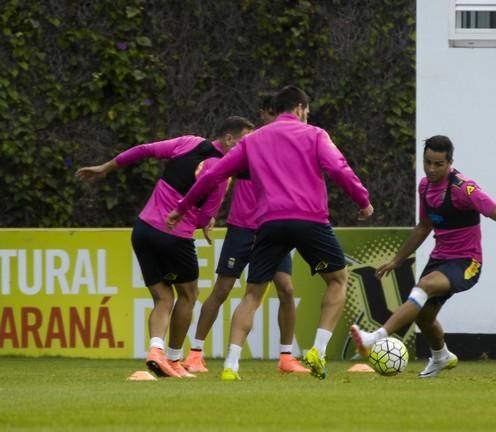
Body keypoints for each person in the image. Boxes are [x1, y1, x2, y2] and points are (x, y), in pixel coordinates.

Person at [167, 85, 374, 380]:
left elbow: (214, 174)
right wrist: (363, 201)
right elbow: (339, 169)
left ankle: (230, 365)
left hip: (268, 224)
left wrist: (183, 205)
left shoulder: (254, 140)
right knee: (338, 280)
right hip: (310, 220)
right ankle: (318, 348)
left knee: (252, 293)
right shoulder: (315, 134)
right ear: (301, 108)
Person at [350, 135, 496, 378]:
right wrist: (397, 260)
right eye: (428, 162)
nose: (432, 169)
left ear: (450, 163)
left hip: (467, 262)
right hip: (440, 259)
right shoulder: (424, 186)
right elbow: (424, 227)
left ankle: (376, 337)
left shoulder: (464, 189)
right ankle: (441, 357)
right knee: (424, 318)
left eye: (439, 164)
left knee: (423, 286)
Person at [76, 116, 254, 378]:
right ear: (228, 140)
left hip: (143, 230)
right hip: (174, 236)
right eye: (244, 142)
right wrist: (208, 220)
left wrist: (106, 167)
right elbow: (204, 217)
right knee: (189, 295)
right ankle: (173, 358)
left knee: (163, 297)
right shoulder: (222, 173)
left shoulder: (188, 142)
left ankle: (155, 351)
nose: (247, 149)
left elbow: (143, 150)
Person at [181, 94, 309, 375]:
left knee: (286, 289)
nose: (274, 118)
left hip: (271, 228)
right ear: (264, 112)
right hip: (241, 229)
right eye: (270, 112)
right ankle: (195, 354)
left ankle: (286, 358)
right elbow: (219, 173)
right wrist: (205, 211)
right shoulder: (249, 145)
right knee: (223, 290)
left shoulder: (281, 144)